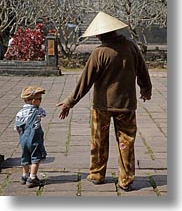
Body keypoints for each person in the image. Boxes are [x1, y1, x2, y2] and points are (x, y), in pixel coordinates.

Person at [56, 11, 152, 191]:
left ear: (101, 34)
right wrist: (146, 90)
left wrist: (69, 102)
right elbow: (143, 71)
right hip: (126, 105)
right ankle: (125, 180)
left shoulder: (99, 53)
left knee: (98, 141)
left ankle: (97, 174)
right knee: (126, 141)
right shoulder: (131, 47)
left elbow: (85, 82)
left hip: (102, 106)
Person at [14, 86, 47, 188]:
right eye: (40, 99)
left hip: (23, 138)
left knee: (25, 156)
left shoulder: (19, 113)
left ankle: (24, 176)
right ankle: (32, 178)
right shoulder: (38, 111)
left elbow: (17, 127)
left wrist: (23, 136)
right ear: (33, 101)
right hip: (34, 138)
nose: (40, 101)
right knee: (35, 157)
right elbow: (44, 114)